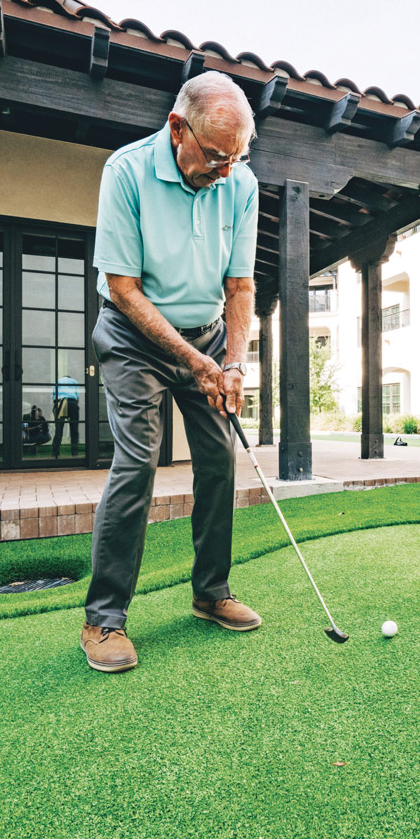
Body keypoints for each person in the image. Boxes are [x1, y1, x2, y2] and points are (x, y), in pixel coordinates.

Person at [81, 71, 260, 673]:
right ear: (177, 129)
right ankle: (104, 620)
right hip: (135, 339)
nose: (226, 171)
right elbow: (124, 290)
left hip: (207, 338)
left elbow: (239, 286)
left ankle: (211, 593)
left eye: (237, 158)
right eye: (216, 156)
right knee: (138, 461)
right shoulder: (126, 172)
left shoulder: (241, 183)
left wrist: (233, 363)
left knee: (218, 456)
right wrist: (195, 362)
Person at [51, 375, 80, 457]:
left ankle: (55, 452)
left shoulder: (58, 381)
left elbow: (54, 395)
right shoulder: (74, 381)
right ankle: (74, 453)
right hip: (72, 402)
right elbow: (77, 396)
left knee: (59, 429)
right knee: (74, 429)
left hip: (60, 402)